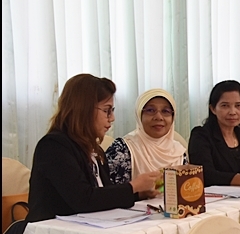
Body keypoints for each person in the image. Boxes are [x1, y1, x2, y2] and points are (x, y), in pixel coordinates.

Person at [27, 74, 160, 223]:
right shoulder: (53, 146)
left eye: (112, 110)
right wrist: (132, 186)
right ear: (84, 109)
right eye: (107, 110)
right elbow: (82, 199)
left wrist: (138, 194)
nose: (112, 118)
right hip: (52, 231)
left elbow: (101, 195)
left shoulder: (94, 149)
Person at [105, 88, 187, 184]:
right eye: (150, 110)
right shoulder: (122, 149)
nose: (159, 117)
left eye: (165, 111)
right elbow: (110, 191)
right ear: (139, 115)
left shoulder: (178, 152)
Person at [188, 80, 240, 186]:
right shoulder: (201, 136)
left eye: (238, 105)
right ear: (213, 109)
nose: (232, 112)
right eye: (225, 106)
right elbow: (205, 174)